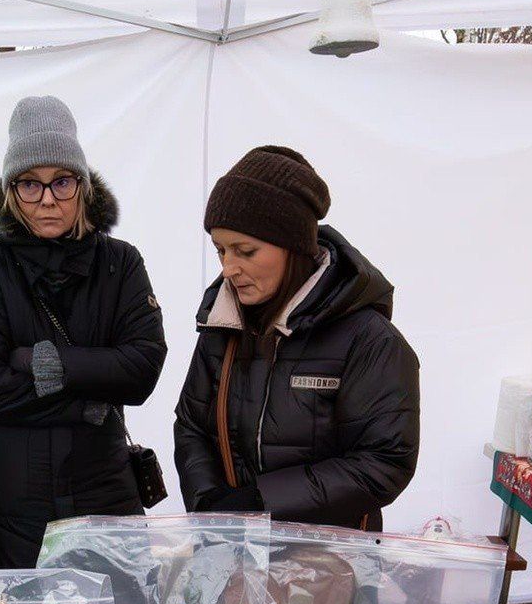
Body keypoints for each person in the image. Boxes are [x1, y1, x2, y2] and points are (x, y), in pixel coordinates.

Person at [0, 96, 167, 569]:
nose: (48, 199)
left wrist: (39, 362)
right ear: (12, 190)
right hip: (15, 508)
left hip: (107, 498)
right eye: (31, 184)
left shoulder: (121, 263)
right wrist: (90, 398)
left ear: (83, 187)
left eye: (61, 182)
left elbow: (141, 370)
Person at [174, 145, 420, 531]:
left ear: (294, 247)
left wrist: (261, 501)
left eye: (246, 251)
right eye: (221, 250)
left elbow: (385, 461)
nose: (228, 268)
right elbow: (191, 424)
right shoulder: (221, 326)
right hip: (236, 553)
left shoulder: (369, 339)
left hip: (330, 565)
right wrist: (208, 502)